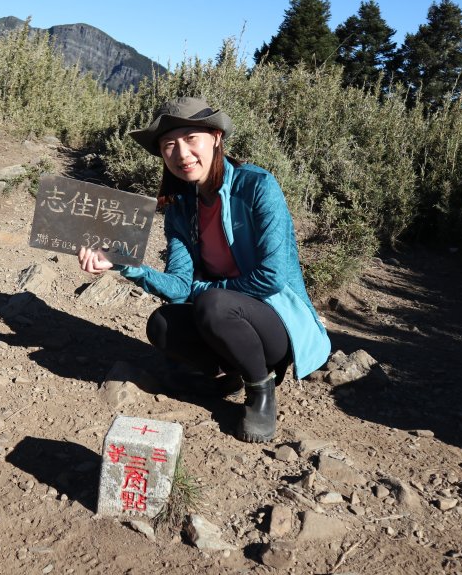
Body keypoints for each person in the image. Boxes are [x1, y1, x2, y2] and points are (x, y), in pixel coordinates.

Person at [78, 96, 331, 443]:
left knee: (213, 303)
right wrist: (126, 265)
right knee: (162, 325)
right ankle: (232, 374)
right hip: (223, 314)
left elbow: (272, 277)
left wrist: (205, 293)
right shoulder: (181, 207)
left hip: (277, 324)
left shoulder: (257, 186)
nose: (181, 154)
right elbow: (181, 286)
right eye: (169, 145)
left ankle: (261, 391)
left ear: (215, 137)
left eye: (191, 139)